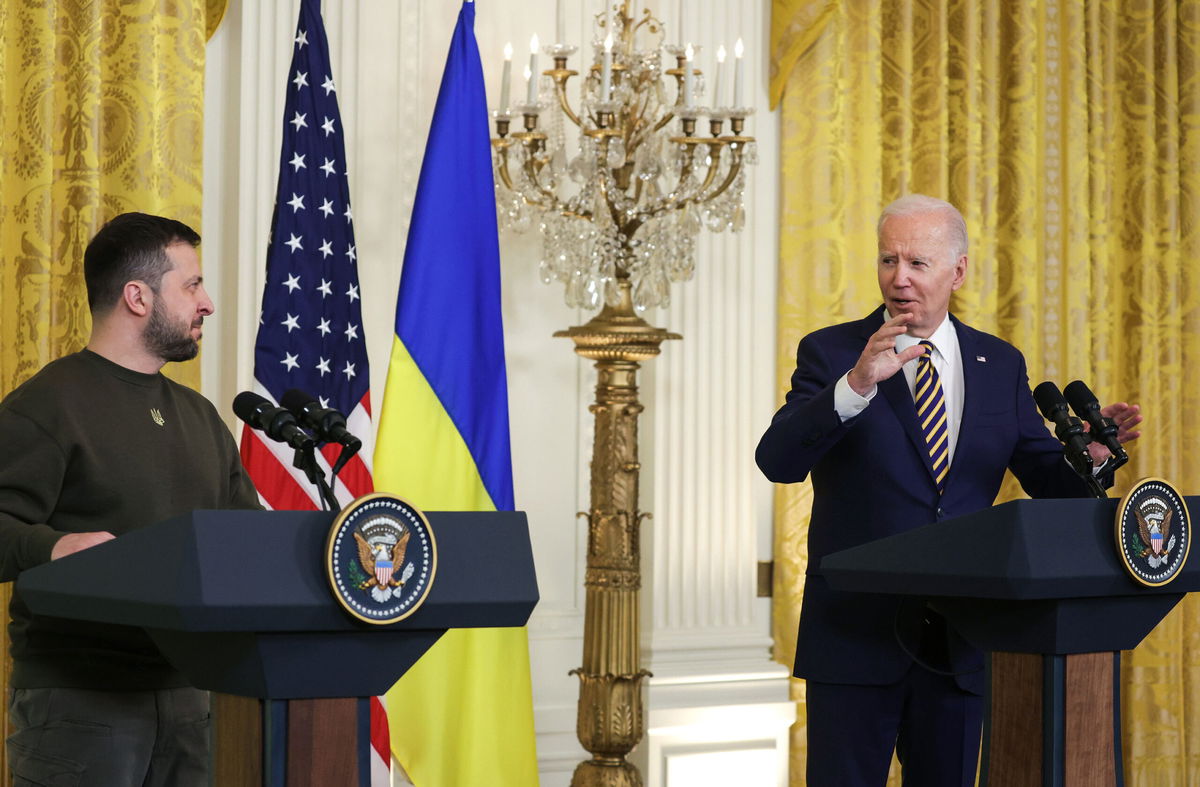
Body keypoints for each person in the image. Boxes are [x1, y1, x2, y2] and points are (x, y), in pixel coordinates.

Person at [755, 194, 1142, 787]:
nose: (899, 279)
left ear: (957, 271)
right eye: (888, 261)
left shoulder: (1000, 364)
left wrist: (1087, 458)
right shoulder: (833, 352)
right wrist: (855, 385)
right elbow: (777, 460)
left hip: (960, 643)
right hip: (856, 637)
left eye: (918, 263)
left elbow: (1046, 480)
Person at [0, 213, 261, 786]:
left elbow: (250, 541)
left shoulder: (201, 417)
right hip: (80, 705)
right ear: (138, 297)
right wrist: (54, 545)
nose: (208, 303)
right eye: (192, 285)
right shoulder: (47, 404)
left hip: (195, 701)